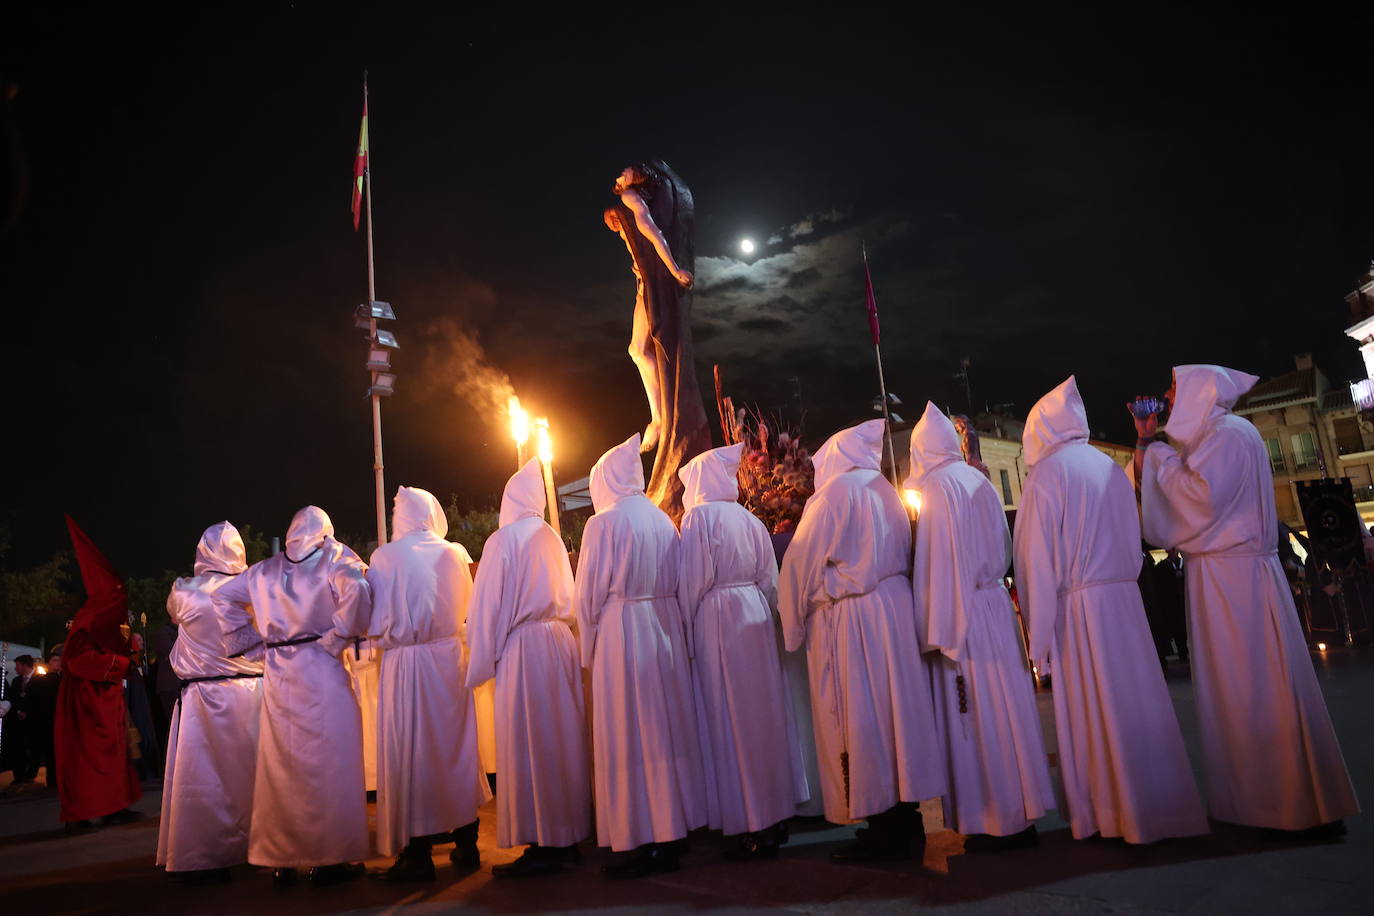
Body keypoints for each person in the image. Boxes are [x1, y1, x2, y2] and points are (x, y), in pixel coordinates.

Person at [1136, 364, 1359, 835]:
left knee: (1252, 688)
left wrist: (1158, 456)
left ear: (1199, 390)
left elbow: (1202, 499)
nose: (1168, 396)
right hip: (1224, 579)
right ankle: (1259, 801)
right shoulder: (1219, 437)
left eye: (1175, 387)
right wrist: (1153, 445)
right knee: (1239, 690)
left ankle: (1281, 803)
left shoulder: (1228, 436)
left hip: (1233, 583)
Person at [1012, 377, 1206, 844]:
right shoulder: (1106, 467)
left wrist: (1038, 638)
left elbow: (1035, 562)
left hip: (1080, 611)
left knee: (1095, 711)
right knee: (1135, 702)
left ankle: (1112, 813)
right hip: (1124, 604)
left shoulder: (1045, 477)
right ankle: (1158, 805)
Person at [778, 419, 945, 863]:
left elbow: (800, 564)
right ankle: (907, 818)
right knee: (896, 718)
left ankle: (882, 824)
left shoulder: (833, 495)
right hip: (892, 610)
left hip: (852, 620)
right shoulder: (883, 490)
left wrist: (792, 624)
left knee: (861, 717)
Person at [906, 403, 1054, 852]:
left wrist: (934, 630)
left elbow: (937, 565)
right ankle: (1019, 813)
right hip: (991, 606)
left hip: (963, 617)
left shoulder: (937, 488)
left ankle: (992, 818)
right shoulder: (976, 478)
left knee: (976, 719)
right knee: (1006, 714)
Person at [215, 506, 372, 888]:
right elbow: (360, 590)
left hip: (280, 674)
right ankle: (330, 859)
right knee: (330, 764)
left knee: (283, 769)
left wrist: (254, 644)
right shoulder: (333, 557)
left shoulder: (264, 571)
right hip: (322, 670)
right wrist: (337, 637)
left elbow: (223, 598)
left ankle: (284, 858)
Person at [575, 433, 706, 878]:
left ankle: (643, 836)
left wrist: (588, 649)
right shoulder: (660, 519)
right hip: (663, 627)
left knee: (630, 734)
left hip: (622, 632)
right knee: (665, 732)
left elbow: (588, 594)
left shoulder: (603, 524)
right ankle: (673, 827)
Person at [678, 444, 809, 861]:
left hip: (718, 619)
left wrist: (685, 628)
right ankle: (775, 813)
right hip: (752, 613)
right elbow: (770, 579)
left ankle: (749, 820)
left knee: (730, 720)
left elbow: (693, 580)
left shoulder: (700, 518)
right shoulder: (750, 519)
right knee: (763, 717)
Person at [467, 460, 591, 878]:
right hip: (559, 642)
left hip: (524, 649)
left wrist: (479, 663)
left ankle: (543, 842)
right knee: (561, 740)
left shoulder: (503, 542)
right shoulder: (552, 538)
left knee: (532, 743)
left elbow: (488, 609)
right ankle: (568, 833)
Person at [367, 486, 490, 882]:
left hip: (406, 662)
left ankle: (417, 852)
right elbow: (472, 607)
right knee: (453, 749)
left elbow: (377, 619)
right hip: (449, 659)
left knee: (411, 751)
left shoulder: (385, 557)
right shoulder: (455, 553)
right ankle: (466, 842)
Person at [157, 521, 263, 885]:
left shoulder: (184, 591)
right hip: (254, 694)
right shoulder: (255, 587)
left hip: (205, 698)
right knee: (256, 778)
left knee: (205, 782)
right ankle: (263, 847)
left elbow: (174, 616)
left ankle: (204, 856)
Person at [604, 160, 712, 517]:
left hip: (653, 283)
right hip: (642, 285)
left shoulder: (634, 199)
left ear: (638, 181)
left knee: (645, 349)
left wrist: (672, 268)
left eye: (626, 172)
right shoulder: (626, 206)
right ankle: (658, 417)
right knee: (636, 349)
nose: (618, 176)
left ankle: (661, 419)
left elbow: (652, 231)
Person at [55, 516, 143, 832]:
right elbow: (76, 659)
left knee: (114, 755)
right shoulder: (88, 618)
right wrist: (121, 664)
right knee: (84, 759)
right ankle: (80, 815)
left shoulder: (103, 617)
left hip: (104, 699)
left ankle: (114, 806)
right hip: (84, 701)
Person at [342, 638, 381, 797]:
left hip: (377, 681)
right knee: (363, 733)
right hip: (356, 682)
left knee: (378, 732)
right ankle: (367, 782)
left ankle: (381, 779)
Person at [1151, 548, 1189, 665]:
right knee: (1178, 628)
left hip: (1186, 601)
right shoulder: (1162, 567)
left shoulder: (1187, 564)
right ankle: (1182, 651)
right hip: (1172, 604)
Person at [4, 655, 37, 783]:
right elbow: (13, 698)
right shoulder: (16, 681)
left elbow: (40, 701)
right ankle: (19, 776)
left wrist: (28, 712)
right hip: (18, 723)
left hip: (33, 722)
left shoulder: (40, 680)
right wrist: (18, 711)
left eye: (17, 665)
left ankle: (31, 773)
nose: (15, 668)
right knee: (18, 749)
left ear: (24, 665)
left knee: (33, 749)